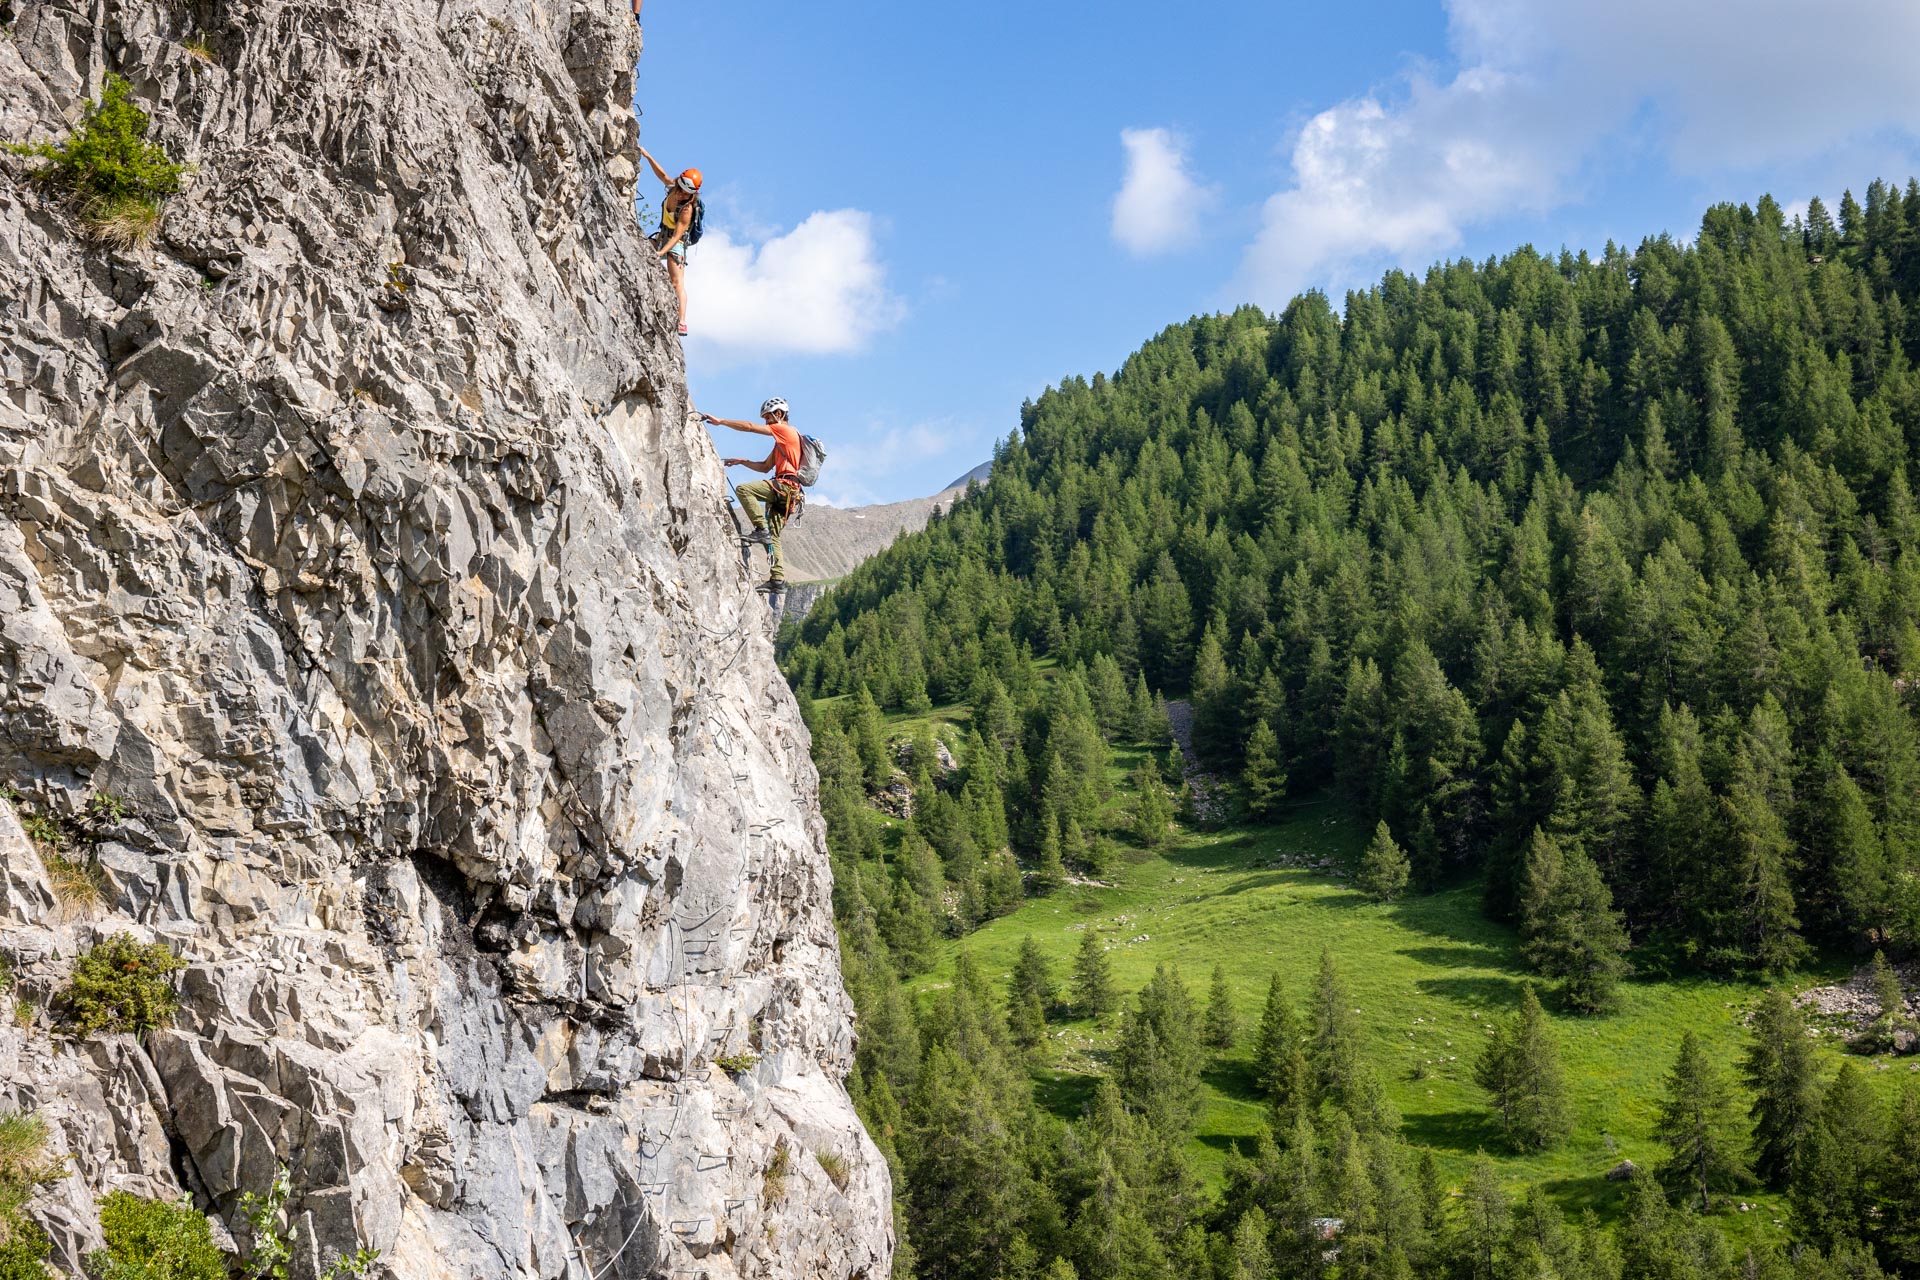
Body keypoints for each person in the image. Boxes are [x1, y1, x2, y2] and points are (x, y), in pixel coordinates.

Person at [705, 398, 802, 594]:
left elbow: (749, 427)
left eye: (768, 417)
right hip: (791, 492)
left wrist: (721, 421)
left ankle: (760, 528)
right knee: (773, 537)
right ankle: (777, 580)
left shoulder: (785, 430)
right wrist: (743, 461)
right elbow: (765, 467)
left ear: (779, 415)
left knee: (744, 490)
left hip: (784, 486)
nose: (767, 422)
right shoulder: (783, 444)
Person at [638, 146, 699, 336]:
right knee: (640, 249)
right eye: (681, 190)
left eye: (686, 193)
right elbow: (662, 175)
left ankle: (682, 321)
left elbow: (677, 236)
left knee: (676, 282)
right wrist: (647, 156)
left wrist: (662, 252)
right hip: (662, 235)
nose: (681, 194)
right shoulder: (674, 188)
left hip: (676, 243)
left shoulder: (687, 209)